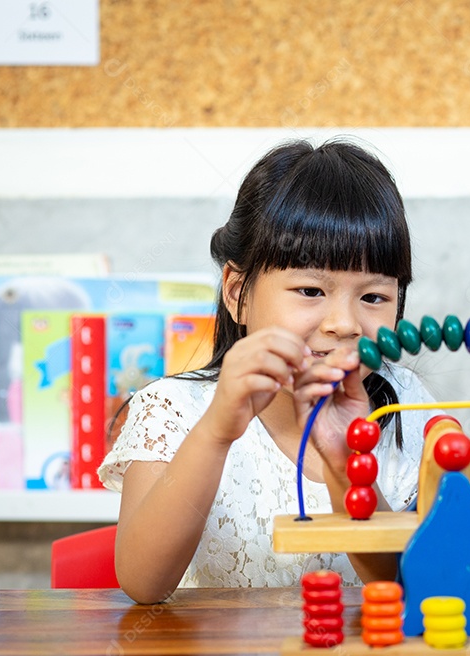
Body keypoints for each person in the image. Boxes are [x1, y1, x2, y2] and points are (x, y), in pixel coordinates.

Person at [101, 140, 435, 603]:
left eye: (374, 297)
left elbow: (405, 583)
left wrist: (344, 469)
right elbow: (142, 582)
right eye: (310, 289)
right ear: (238, 293)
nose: (344, 324)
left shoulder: (406, 406)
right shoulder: (172, 410)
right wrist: (216, 431)